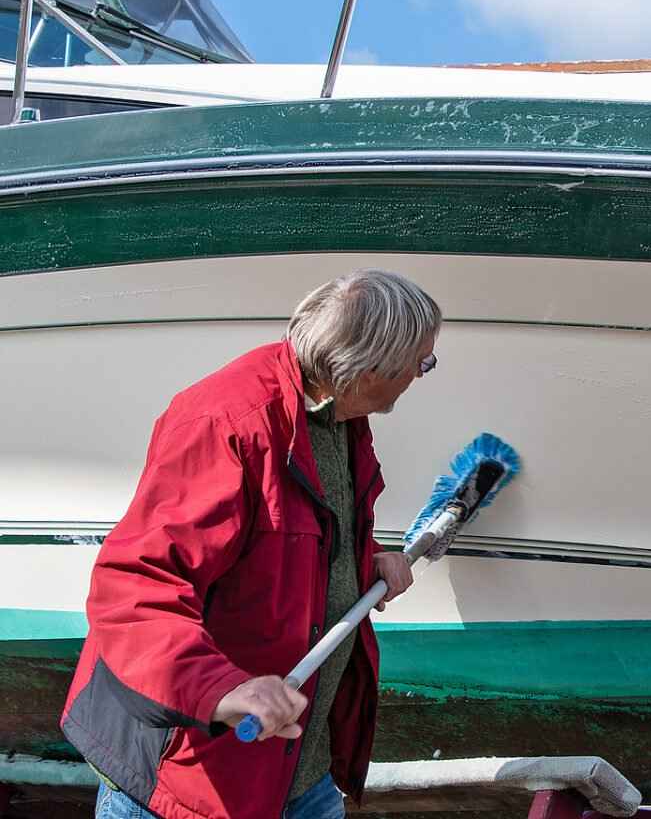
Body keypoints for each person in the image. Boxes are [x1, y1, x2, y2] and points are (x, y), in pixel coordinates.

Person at [60, 269, 442, 819]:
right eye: (421, 362)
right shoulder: (226, 423)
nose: (421, 375)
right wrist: (221, 690)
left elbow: (289, 535)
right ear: (369, 367)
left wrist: (364, 555)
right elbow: (135, 589)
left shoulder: (336, 413)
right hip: (189, 781)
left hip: (297, 773)